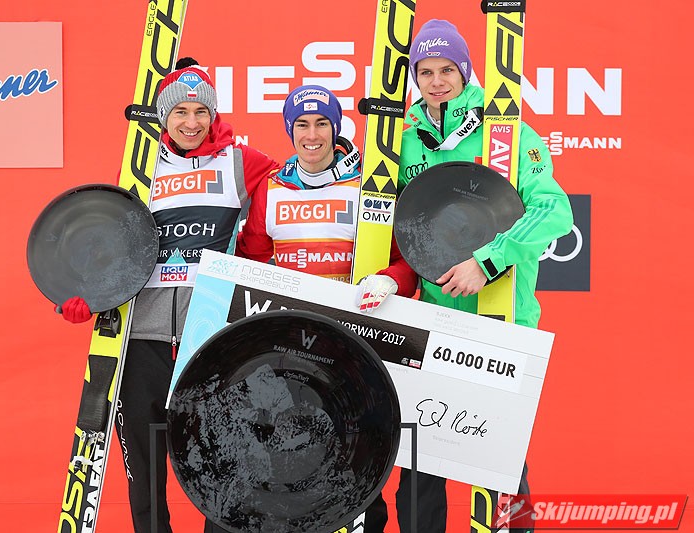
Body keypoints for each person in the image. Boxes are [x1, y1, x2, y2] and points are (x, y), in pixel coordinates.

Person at [360, 19, 574, 533]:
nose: (436, 82)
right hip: (431, 320)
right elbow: (397, 229)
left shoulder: (505, 134)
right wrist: (388, 276)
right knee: (420, 462)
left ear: (465, 72)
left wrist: (488, 260)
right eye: (426, 72)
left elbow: (554, 210)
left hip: (501, 315)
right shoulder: (401, 142)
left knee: (501, 464)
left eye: (447, 71)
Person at [59, 58, 281, 533]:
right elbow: (104, 245)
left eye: (201, 112)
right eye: (180, 112)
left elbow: (298, 184)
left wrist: (253, 258)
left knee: (225, 461)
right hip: (142, 335)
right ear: (164, 116)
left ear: (213, 115)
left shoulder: (240, 162)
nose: (191, 123)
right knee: (145, 464)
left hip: (212, 334)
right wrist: (78, 295)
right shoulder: (140, 168)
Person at [235, 84, 417, 533]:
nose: (312, 135)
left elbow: (406, 263)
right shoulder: (272, 188)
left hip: (354, 345)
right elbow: (249, 263)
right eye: (302, 124)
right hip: (292, 350)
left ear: (336, 129)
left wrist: (389, 280)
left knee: (359, 459)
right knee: (294, 460)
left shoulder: (367, 184)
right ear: (290, 130)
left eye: (322, 124)